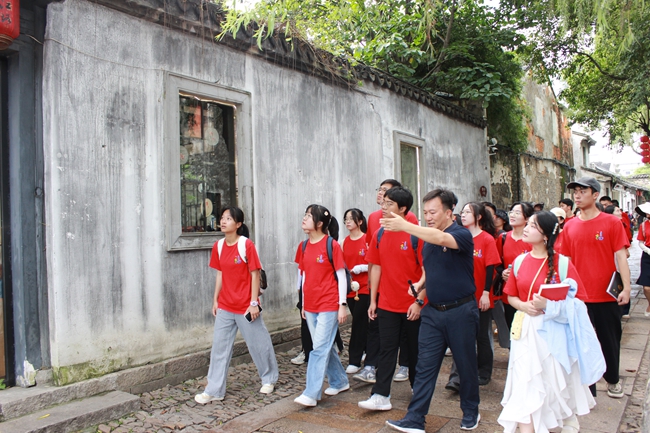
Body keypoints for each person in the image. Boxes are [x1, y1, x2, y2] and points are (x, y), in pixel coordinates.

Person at [383, 188, 481, 432]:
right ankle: (415, 418)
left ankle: (471, 411)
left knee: (465, 364)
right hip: (433, 312)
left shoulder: (461, 234)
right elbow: (431, 270)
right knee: (425, 366)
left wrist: (405, 226)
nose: (428, 216)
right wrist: (419, 287)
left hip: (461, 311)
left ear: (449, 212)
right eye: (425, 212)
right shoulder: (427, 238)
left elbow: (441, 239)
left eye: (433, 212)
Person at [498, 211, 604, 433]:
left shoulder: (562, 264)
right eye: (527, 224)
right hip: (526, 329)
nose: (526, 228)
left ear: (546, 235)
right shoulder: (519, 261)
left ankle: (556, 417)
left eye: (533, 226)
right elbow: (511, 296)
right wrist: (524, 306)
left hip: (554, 332)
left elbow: (578, 303)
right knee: (525, 378)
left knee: (551, 378)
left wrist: (549, 306)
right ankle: (528, 426)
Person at [195, 207, 279, 404]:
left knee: (258, 344)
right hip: (225, 305)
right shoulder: (219, 246)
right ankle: (214, 390)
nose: (223, 221)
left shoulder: (246, 245)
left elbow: (255, 273)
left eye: (229, 219)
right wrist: (215, 299)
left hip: (245, 306)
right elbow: (220, 274)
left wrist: (253, 303)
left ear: (238, 224)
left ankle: (269, 378)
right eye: (222, 218)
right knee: (219, 348)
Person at [557, 177, 631, 399]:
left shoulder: (611, 223)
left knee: (610, 340)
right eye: (575, 192)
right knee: (582, 342)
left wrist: (626, 288)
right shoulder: (569, 226)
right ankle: (588, 387)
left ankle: (613, 379)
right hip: (579, 296)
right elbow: (565, 260)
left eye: (583, 191)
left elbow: (621, 257)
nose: (577, 195)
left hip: (606, 295)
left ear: (596, 194)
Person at [358, 187, 425, 411]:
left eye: (389, 204)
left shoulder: (417, 234)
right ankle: (381, 394)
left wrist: (419, 301)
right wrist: (374, 300)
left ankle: (418, 388)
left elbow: (429, 273)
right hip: (386, 302)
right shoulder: (379, 233)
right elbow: (375, 267)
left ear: (403, 209)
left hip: (412, 305)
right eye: (383, 203)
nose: (383, 207)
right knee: (387, 348)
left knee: (415, 349)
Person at [293, 204, 349, 406]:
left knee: (317, 349)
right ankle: (340, 381)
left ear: (319, 223)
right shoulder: (304, 246)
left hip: (329, 303)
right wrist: (303, 305)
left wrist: (342, 304)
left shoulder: (331, 245)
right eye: (305, 214)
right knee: (324, 346)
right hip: (311, 305)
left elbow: (341, 276)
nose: (304, 218)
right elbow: (304, 275)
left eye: (309, 216)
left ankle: (311, 393)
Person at [445, 202, 500, 391]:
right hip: (461, 296)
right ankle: (456, 378)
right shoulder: (457, 237)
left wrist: (485, 292)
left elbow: (491, 267)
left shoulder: (486, 239)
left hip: (480, 295)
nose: (464, 214)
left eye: (468, 212)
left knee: (482, 336)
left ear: (478, 217)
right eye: (463, 212)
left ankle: (483, 372)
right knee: (460, 336)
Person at [497, 202, 535, 331]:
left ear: (527, 218)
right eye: (512, 212)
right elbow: (497, 263)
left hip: (529, 293)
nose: (512, 215)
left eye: (518, 213)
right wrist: (502, 273)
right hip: (509, 292)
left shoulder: (533, 240)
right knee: (513, 331)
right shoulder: (503, 238)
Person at [341, 208, 370, 374]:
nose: (348, 221)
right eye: (346, 218)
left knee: (358, 321)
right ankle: (367, 349)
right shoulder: (344, 242)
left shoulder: (367, 239)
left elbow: (374, 262)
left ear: (360, 221)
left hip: (365, 287)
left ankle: (354, 358)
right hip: (350, 288)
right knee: (361, 321)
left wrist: (363, 267)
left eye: (352, 218)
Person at [634, 202, 650, 317]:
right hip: (647, 255)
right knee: (646, 287)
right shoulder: (644, 225)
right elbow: (640, 242)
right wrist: (647, 250)